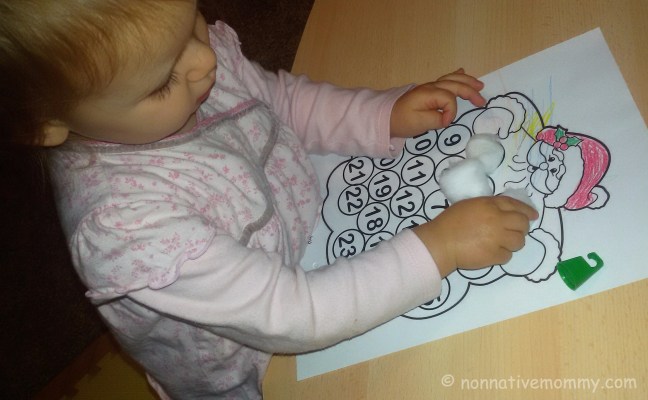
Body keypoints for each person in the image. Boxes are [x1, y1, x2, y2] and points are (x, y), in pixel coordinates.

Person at [0, 0, 538, 398]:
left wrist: (380, 114)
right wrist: (439, 248)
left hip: (308, 239)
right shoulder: (128, 230)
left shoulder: (178, 60)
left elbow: (279, 101)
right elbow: (293, 315)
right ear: (46, 123)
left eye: (192, 22)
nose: (203, 61)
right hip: (256, 362)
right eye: (163, 82)